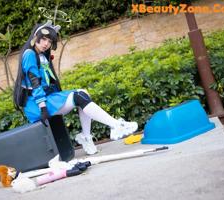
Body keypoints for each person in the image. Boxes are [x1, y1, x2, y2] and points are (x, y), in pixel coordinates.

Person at [13, 20, 138, 155]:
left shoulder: (42, 56)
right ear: (35, 37)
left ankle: (86, 137)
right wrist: (43, 108)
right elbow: (35, 83)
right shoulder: (30, 54)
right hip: (36, 105)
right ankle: (115, 125)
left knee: (83, 93)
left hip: (46, 99)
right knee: (78, 97)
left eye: (49, 41)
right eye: (43, 39)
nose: (46, 44)